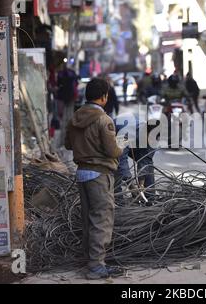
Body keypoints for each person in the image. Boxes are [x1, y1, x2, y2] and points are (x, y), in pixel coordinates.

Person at [64, 78, 126, 280]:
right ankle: (96, 267)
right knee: (101, 219)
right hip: (100, 174)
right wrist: (122, 144)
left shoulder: (75, 118)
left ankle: (90, 261)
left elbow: (67, 144)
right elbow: (112, 151)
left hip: (82, 173)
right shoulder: (104, 120)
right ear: (104, 97)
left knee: (88, 219)